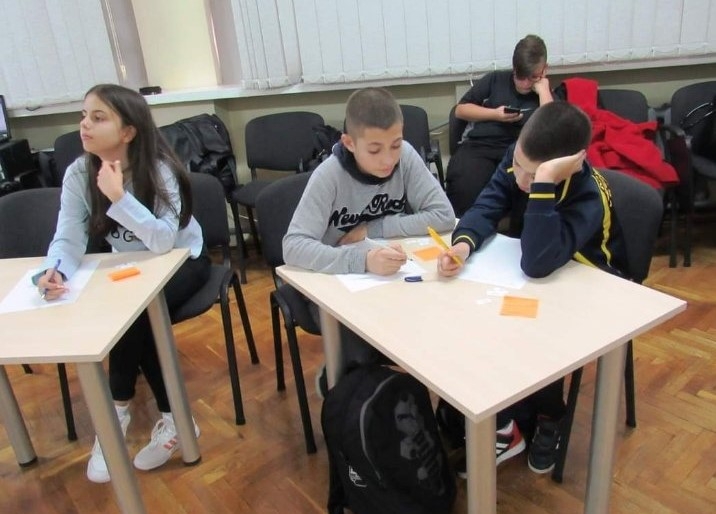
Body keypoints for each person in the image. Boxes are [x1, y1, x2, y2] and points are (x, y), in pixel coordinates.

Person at [437, 101, 628, 475]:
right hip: (545, 276)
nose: (521, 178)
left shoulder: (589, 194)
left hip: (598, 286)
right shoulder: (521, 156)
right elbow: (488, 204)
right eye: (518, 166)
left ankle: (550, 416)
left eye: (534, 174)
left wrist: (543, 183)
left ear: (570, 164)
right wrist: (463, 244)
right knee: (483, 313)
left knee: (541, 331)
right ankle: (504, 414)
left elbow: (538, 262)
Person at [34, 84, 209, 483]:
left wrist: (119, 199)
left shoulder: (159, 170)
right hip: (134, 268)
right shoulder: (79, 173)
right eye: (84, 116)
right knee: (135, 314)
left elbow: (163, 240)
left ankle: (115, 416)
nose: (84, 125)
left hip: (182, 261)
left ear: (128, 131)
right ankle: (176, 421)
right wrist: (56, 268)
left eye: (98, 118)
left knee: (136, 315)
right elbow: (69, 235)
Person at [283, 86, 455, 374]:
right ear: (349, 143)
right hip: (333, 280)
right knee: (368, 344)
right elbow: (293, 246)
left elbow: (443, 215)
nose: (388, 159)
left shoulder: (405, 157)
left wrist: (374, 228)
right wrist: (362, 260)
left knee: (434, 321)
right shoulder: (329, 176)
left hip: (387, 278)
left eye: (396, 145)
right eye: (374, 150)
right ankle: (342, 380)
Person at [446, 34, 554, 217]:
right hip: (481, 146)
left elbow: (552, 125)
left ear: (544, 70)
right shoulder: (495, 79)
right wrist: (495, 114)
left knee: (528, 190)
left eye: (532, 77)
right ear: (514, 68)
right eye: (520, 76)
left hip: (520, 152)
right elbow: (460, 110)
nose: (525, 83)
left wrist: (543, 90)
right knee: (465, 185)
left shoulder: (546, 95)